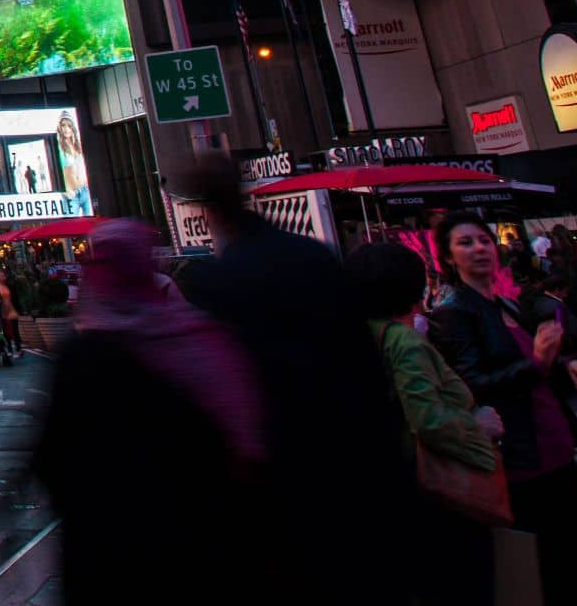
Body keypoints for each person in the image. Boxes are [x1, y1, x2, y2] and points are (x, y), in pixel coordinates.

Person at [174, 157, 409, 606]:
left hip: (277, 469)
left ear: (207, 209)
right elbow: (360, 357)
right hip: (350, 451)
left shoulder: (220, 282)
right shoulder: (309, 256)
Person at [31, 220, 263, 606]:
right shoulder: (201, 344)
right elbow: (245, 443)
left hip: (104, 549)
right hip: (199, 543)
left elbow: (50, 458)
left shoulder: (84, 357)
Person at [431, 210, 577, 606]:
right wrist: (539, 364)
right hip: (519, 463)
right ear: (448, 259)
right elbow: (473, 385)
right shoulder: (454, 314)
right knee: (540, 577)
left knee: (571, 564)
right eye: (465, 243)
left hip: (556, 450)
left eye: (482, 240)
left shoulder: (508, 306)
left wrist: (565, 363)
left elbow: (530, 356)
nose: (479, 248)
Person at [349, 241, 499, 606]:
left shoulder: (357, 336)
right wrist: (478, 425)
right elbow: (428, 419)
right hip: (437, 490)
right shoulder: (404, 342)